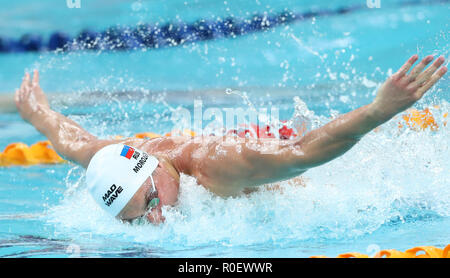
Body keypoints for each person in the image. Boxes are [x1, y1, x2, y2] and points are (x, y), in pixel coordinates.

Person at [14, 55, 447, 224]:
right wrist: (37, 111)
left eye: (151, 203)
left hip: (275, 160)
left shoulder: (215, 169)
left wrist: (380, 110)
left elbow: (306, 152)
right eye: (135, 219)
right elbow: (70, 139)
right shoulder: (115, 160)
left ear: (153, 169)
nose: (157, 218)